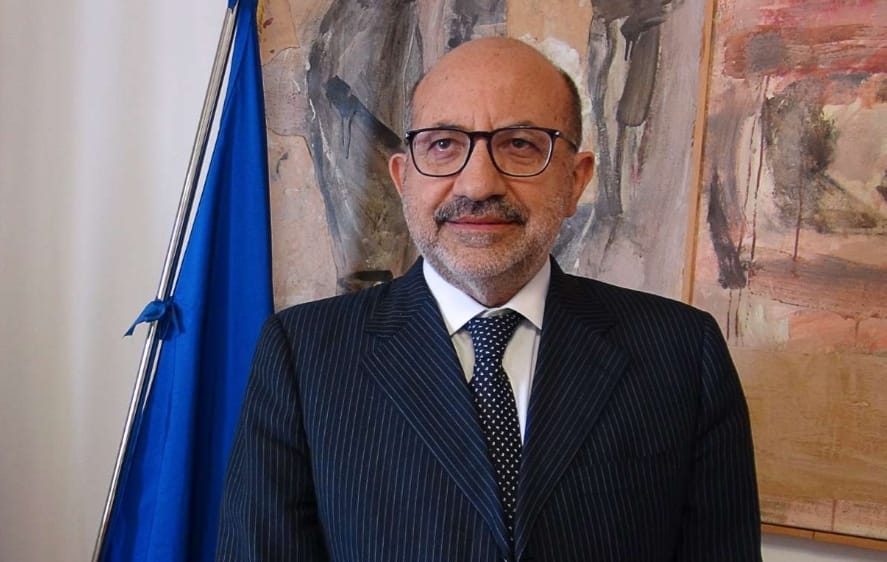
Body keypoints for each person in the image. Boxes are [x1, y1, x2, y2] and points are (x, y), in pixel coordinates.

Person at [217, 37, 761, 562]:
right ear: (404, 179)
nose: (478, 184)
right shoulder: (303, 354)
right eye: (443, 145)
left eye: (520, 144)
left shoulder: (683, 353)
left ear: (575, 180)